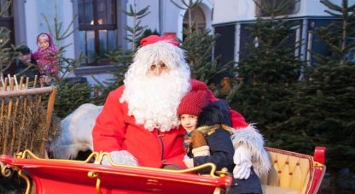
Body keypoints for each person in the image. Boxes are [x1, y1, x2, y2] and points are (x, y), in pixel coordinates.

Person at [92, 34, 270, 180]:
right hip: (136, 167)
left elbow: (226, 115)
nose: (158, 71)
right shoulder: (121, 96)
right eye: (152, 66)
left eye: (164, 66)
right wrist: (117, 160)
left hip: (180, 165)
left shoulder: (193, 90)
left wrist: (245, 143)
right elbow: (105, 133)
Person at [179, 93, 263, 194]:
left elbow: (227, 159)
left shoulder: (216, 132)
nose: (187, 122)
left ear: (202, 116)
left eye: (192, 117)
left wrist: (197, 162)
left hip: (238, 186)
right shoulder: (195, 136)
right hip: (221, 186)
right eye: (183, 117)